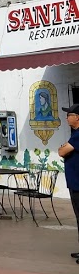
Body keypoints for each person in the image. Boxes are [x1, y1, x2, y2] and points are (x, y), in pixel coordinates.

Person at [59, 103, 79, 263]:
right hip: (74, 183)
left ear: (77, 117)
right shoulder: (75, 134)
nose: (67, 118)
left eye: (69, 115)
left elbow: (63, 151)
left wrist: (63, 149)